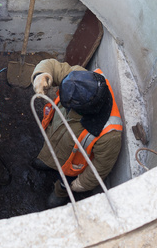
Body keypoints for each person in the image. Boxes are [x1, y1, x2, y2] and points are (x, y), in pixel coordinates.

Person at [30, 59, 123, 208]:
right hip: (57, 139)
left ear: (83, 110)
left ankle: (60, 194)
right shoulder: (81, 79)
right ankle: (47, 161)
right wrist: (41, 74)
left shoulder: (109, 135)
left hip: (71, 167)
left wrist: (81, 184)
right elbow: (53, 66)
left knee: (64, 183)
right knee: (50, 150)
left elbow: (100, 168)